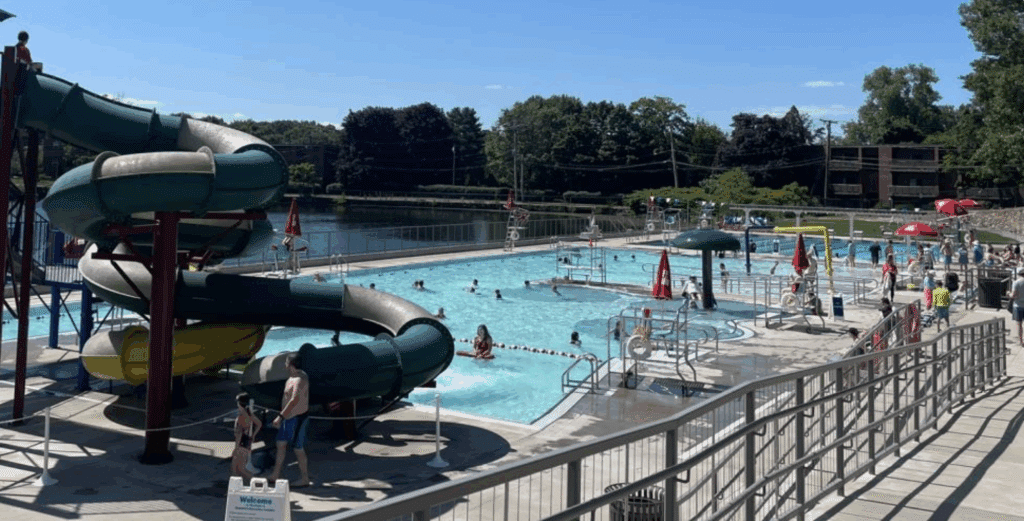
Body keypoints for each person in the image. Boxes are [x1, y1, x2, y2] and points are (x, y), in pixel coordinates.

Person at [269, 352, 311, 488]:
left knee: (298, 448)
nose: (285, 365)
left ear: (291, 364)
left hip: (297, 418)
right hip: (287, 418)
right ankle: (275, 474)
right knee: (280, 444)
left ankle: (304, 478)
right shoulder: (292, 377)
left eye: (286, 362)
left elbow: (294, 400)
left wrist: (279, 417)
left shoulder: (300, 379)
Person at [232, 393, 262, 480]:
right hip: (246, 443)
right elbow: (259, 424)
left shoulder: (241, 417)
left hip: (241, 444)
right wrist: (253, 435)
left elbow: (239, 434)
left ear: (239, 404)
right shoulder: (249, 414)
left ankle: (255, 483)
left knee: (236, 470)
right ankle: (254, 483)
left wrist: (236, 448)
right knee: (241, 469)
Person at [1010, 268, 1024, 346]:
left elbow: (1013, 295)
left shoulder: (1016, 283)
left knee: (1019, 324)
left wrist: (1009, 294)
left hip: (1018, 306)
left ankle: (1021, 341)